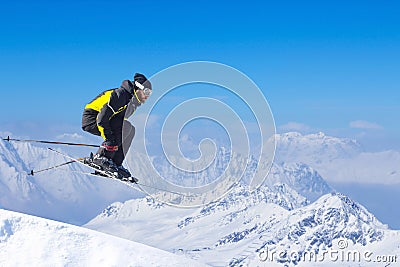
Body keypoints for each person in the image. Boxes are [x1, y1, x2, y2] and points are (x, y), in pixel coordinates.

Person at [81, 73, 152, 179]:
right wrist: (109, 139)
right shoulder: (121, 95)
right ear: (138, 88)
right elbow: (102, 118)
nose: (147, 96)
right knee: (126, 127)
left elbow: (117, 122)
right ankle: (101, 158)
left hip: (104, 120)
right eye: (146, 92)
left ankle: (115, 162)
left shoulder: (131, 103)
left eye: (149, 93)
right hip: (92, 117)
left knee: (130, 129)